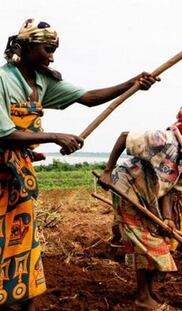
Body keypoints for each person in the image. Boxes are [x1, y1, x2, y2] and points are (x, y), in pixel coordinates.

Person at [0, 19, 158, 310]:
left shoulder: (41, 81)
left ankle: (20, 299)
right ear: (25, 47)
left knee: (21, 240)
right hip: (1, 175)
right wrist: (54, 136)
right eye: (47, 49)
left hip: (18, 176)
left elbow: (88, 97)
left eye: (53, 50)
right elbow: (4, 133)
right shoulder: (2, 80)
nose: (52, 56)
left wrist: (133, 84)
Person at [98, 106, 182, 309]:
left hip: (149, 195)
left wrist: (168, 218)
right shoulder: (164, 139)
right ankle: (142, 297)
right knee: (144, 240)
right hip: (126, 187)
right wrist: (108, 171)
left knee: (160, 236)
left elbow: (171, 189)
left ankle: (148, 292)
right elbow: (124, 137)